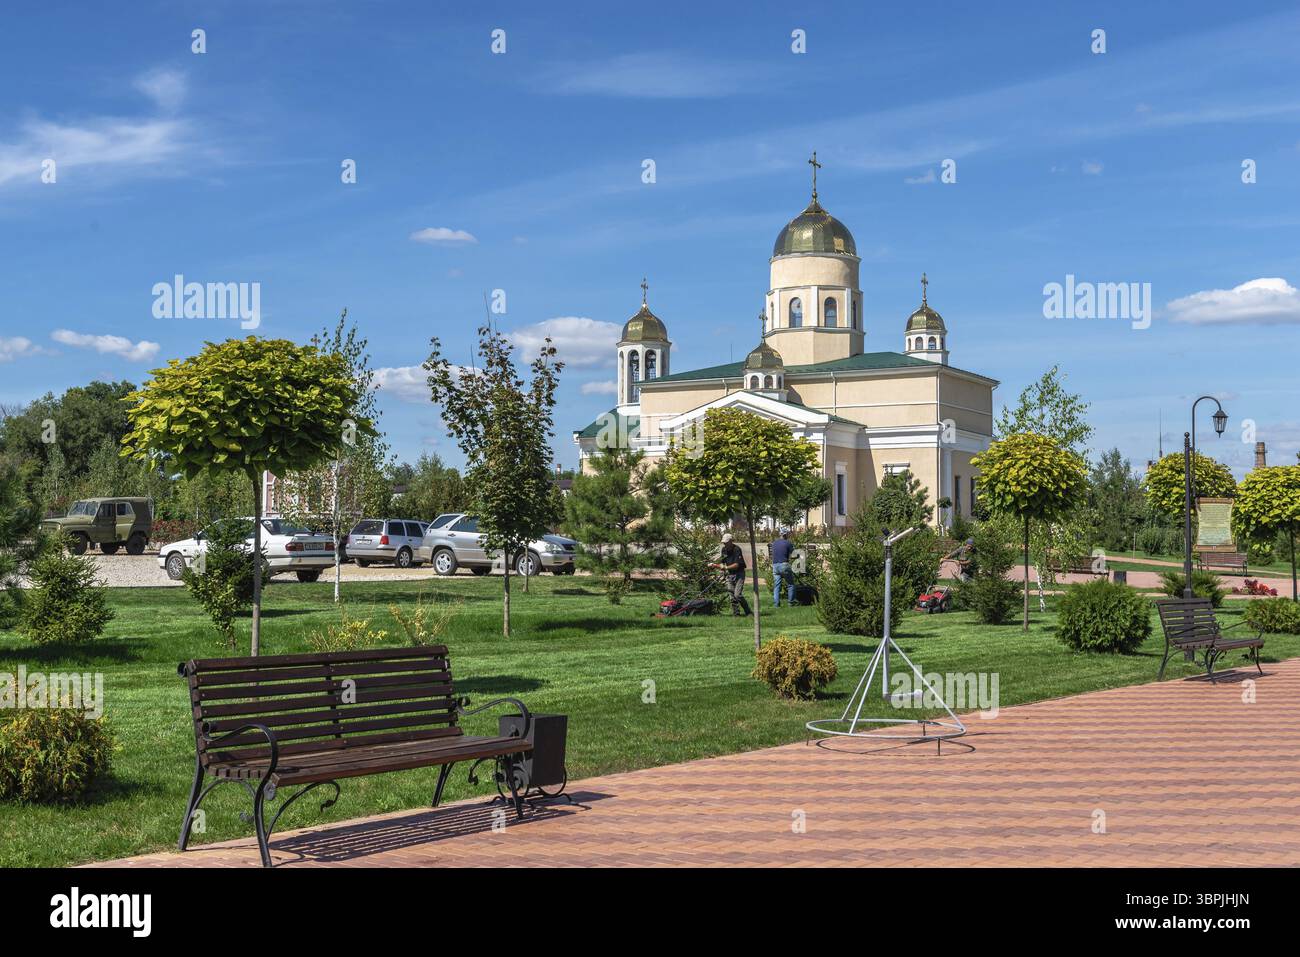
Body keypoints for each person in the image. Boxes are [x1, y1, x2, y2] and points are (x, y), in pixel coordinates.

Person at [710, 533, 751, 617]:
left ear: (731, 541)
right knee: (732, 596)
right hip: (730, 574)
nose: (724, 544)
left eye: (726, 542)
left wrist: (725, 568)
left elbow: (737, 564)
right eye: (724, 542)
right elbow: (722, 561)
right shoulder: (724, 549)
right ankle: (736, 614)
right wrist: (714, 564)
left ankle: (748, 612)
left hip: (739, 573)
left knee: (737, 595)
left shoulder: (737, 549)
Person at [770, 530, 796, 607]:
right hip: (784, 565)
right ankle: (790, 603)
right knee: (791, 584)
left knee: (777, 585)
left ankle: (776, 604)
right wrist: (797, 557)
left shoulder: (774, 543)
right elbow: (793, 554)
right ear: (785, 535)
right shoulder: (788, 543)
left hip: (775, 566)